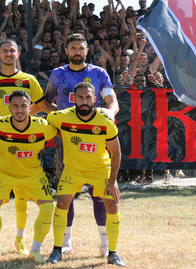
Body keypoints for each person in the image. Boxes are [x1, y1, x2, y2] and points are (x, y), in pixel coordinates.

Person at [0, 39, 55, 255]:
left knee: (22, 193)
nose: (8, 54)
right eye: (4, 51)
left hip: (20, 142)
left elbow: (42, 106)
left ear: (18, 54)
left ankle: (20, 238)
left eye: (12, 51)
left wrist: (70, 118)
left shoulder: (28, 80)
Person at [44, 33, 119, 256]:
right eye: (73, 48)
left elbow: (111, 100)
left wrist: (111, 113)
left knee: (100, 194)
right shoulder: (57, 74)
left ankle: (105, 244)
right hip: (65, 143)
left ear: (87, 51)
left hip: (93, 140)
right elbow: (47, 102)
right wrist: (61, 119)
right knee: (66, 194)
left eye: (81, 48)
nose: (77, 51)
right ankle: (65, 243)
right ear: (66, 50)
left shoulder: (99, 73)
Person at [46, 82, 125, 267]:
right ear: (73, 98)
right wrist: (62, 132)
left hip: (100, 170)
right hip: (73, 170)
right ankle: (58, 249)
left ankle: (112, 252)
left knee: (112, 206)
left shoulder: (105, 120)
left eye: (88, 97)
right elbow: (44, 126)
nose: (84, 101)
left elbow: (116, 151)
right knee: (62, 203)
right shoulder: (61, 117)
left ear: (94, 99)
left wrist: (112, 182)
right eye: (80, 97)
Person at [0, 90, 58, 263]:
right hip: (3, 173)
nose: (19, 110)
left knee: (47, 208)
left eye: (23, 106)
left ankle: (35, 251)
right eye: (15, 106)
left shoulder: (43, 126)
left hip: (33, 174)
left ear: (30, 108)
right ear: (9, 108)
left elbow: (62, 131)